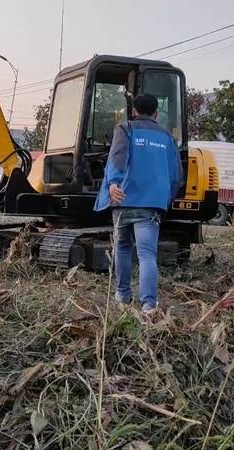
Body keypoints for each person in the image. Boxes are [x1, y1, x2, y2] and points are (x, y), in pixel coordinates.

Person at [94, 93, 182, 314]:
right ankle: (149, 304)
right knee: (147, 254)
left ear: (134, 111)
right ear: (156, 114)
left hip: (123, 200)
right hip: (152, 206)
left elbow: (117, 156)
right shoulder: (168, 138)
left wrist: (113, 183)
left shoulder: (125, 129)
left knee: (122, 248)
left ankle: (123, 296)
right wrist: (163, 200)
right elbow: (176, 177)